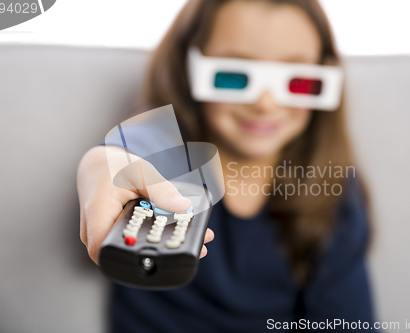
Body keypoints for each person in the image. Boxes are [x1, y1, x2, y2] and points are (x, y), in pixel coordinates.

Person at [77, 0, 377, 331]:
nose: (266, 103)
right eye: (233, 75)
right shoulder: (163, 144)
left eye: (297, 81)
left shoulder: (332, 190)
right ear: (189, 67)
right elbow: (124, 152)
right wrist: (99, 166)